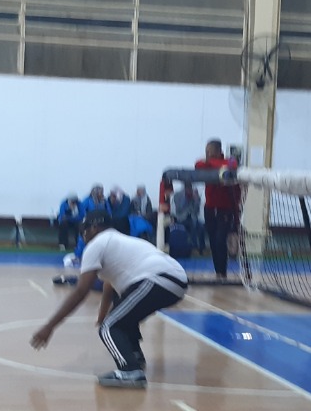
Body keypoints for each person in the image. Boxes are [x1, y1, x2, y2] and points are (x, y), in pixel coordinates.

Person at [30, 210, 188, 389]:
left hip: (156, 279)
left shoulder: (96, 245)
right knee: (121, 317)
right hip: (176, 279)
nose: (83, 235)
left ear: (94, 228)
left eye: (84, 230)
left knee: (110, 327)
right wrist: (102, 314)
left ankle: (130, 371)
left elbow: (81, 291)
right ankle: (134, 356)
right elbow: (108, 285)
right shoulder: (118, 240)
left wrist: (49, 326)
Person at [196, 139, 240, 279]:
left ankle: (223, 271)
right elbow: (198, 165)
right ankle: (218, 272)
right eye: (206, 151)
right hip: (209, 208)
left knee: (221, 240)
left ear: (217, 151)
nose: (207, 154)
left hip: (225, 209)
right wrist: (210, 163)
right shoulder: (205, 164)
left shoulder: (229, 162)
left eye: (209, 151)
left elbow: (231, 165)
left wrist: (212, 164)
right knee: (213, 241)